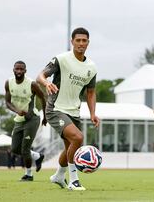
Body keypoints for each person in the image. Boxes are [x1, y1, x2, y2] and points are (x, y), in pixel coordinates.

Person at [37, 27, 100, 191]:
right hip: (55, 108)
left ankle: (58, 175)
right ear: (71, 41)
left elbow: (91, 92)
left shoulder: (91, 67)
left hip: (74, 111)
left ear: (88, 43)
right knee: (78, 138)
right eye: (77, 40)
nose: (81, 43)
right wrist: (47, 83)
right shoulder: (61, 59)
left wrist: (93, 113)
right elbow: (40, 76)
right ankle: (73, 180)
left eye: (84, 40)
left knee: (71, 146)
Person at [5, 60, 47, 181]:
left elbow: (43, 98)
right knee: (14, 149)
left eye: (21, 69)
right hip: (19, 119)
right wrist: (16, 110)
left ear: (25, 71)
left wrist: (44, 116)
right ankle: (37, 156)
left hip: (32, 118)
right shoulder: (8, 83)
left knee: (24, 149)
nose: (19, 71)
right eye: (17, 69)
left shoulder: (32, 84)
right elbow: (7, 102)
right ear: (13, 70)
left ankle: (29, 174)